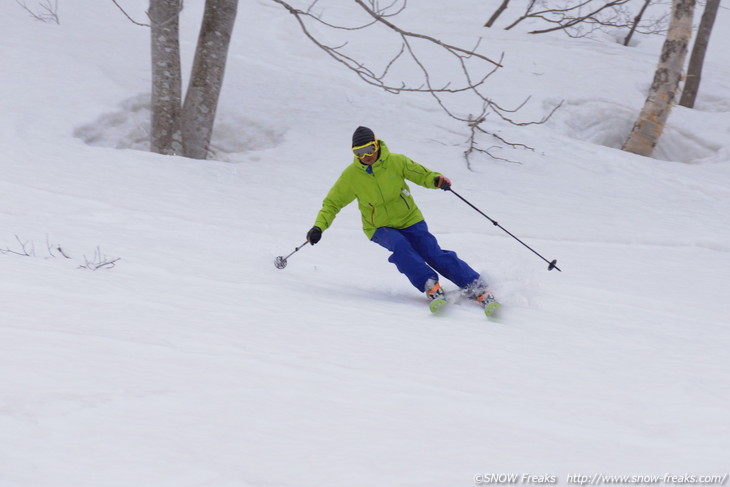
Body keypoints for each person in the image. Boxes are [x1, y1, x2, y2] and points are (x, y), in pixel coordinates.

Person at [306, 126, 499, 315]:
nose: (366, 156)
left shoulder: (396, 162)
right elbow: (332, 203)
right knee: (401, 247)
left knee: (432, 253)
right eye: (360, 152)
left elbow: (421, 174)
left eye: (369, 149)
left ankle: (477, 286)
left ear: (377, 145)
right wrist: (318, 227)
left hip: (410, 219)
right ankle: (429, 285)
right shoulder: (351, 176)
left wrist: (436, 180)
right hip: (378, 227)